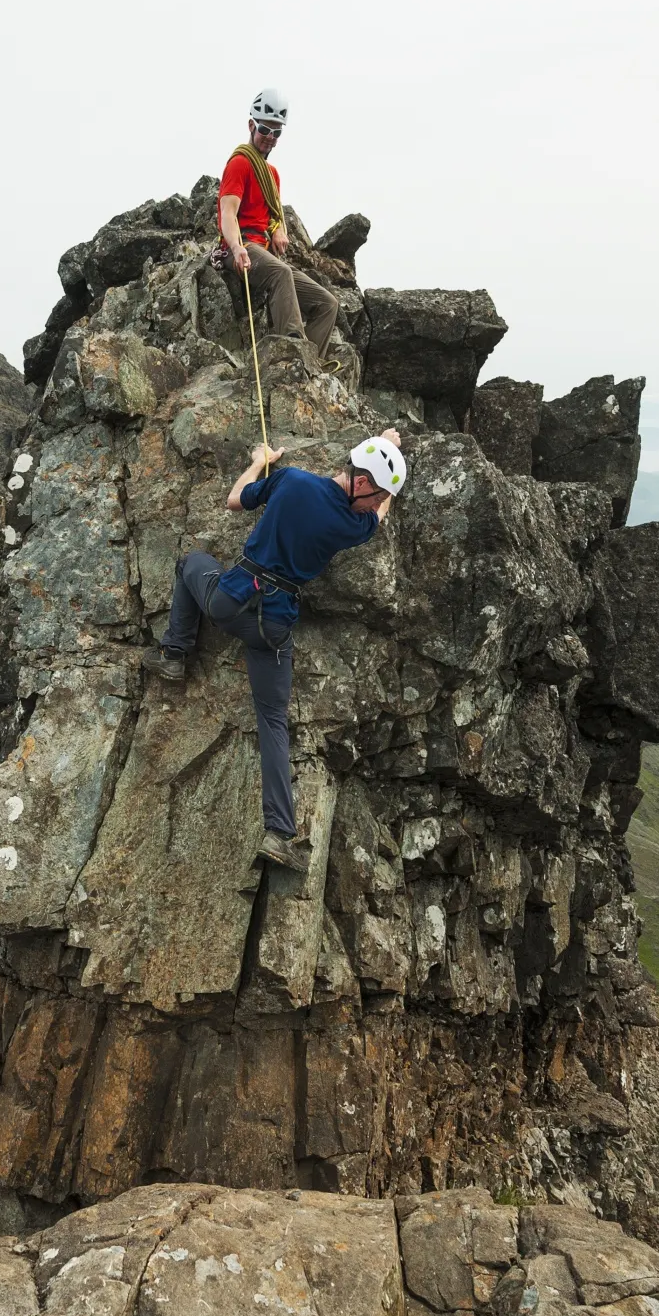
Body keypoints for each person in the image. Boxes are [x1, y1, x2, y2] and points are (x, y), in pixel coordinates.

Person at [141, 432, 409, 871]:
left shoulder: (292, 480)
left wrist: (259, 460)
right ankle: (279, 832)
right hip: (273, 626)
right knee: (272, 721)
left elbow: (235, 500)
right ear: (362, 484)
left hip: (228, 600)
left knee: (191, 562)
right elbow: (379, 515)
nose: (373, 502)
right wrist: (384, 444)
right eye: (376, 492)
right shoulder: (352, 526)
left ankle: (174, 653)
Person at [218, 88, 340, 362]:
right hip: (239, 247)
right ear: (251, 125)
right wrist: (237, 249)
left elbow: (272, 215)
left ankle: (311, 364)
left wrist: (278, 229)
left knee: (327, 304)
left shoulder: (272, 174)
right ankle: (293, 353)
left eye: (277, 133)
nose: (270, 138)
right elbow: (228, 212)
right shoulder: (239, 164)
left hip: (263, 249)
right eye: (265, 130)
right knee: (281, 273)